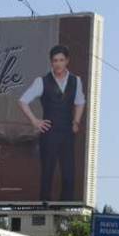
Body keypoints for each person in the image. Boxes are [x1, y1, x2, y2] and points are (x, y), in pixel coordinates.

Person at [18, 45, 86, 201]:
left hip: (67, 133)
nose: (58, 64)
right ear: (51, 62)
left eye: (61, 60)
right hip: (49, 133)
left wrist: (76, 121)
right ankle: (44, 207)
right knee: (47, 173)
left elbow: (80, 102)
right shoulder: (41, 81)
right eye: (55, 60)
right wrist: (35, 121)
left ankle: (66, 208)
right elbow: (22, 101)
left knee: (69, 174)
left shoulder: (76, 81)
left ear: (67, 61)